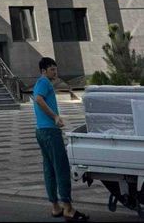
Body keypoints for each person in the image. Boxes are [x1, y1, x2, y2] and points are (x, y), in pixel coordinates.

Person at [33, 57, 89, 221]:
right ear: (43, 71)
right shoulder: (44, 82)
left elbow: (38, 98)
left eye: (56, 69)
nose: (55, 72)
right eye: (52, 69)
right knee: (61, 167)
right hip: (50, 131)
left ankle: (55, 207)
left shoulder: (39, 83)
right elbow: (38, 99)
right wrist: (55, 117)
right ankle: (68, 208)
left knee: (49, 168)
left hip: (41, 131)